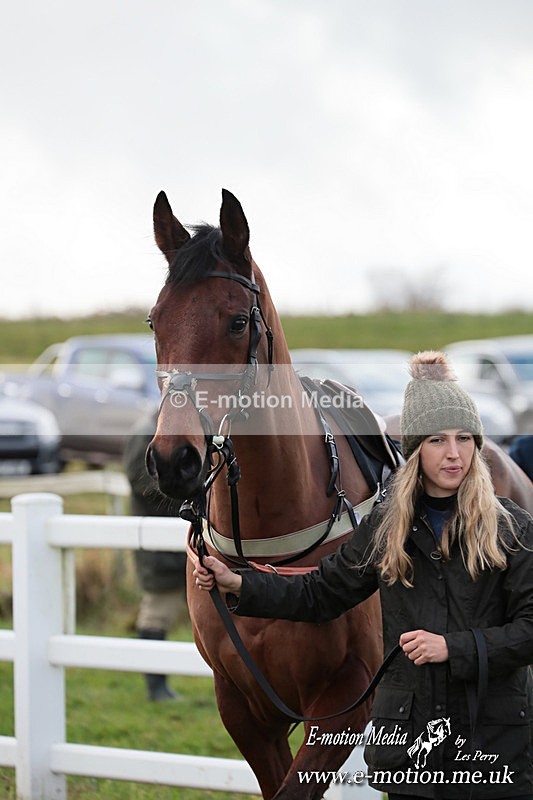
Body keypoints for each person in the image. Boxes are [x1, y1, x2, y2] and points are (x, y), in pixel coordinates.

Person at [193, 351, 533, 800]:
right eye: (436, 440)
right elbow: (320, 594)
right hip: (413, 752)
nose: (454, 454)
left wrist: (453, 648)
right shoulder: (386, 528)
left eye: (465, 438)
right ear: (414, 451)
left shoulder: (513, 529)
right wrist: (239, 584)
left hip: (494, 751)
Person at [124, 412, 187, 701]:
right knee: (157, 614)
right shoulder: (145, 432)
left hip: (188, 542)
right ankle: (156, 688)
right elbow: (142, 482)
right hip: (159, 547)